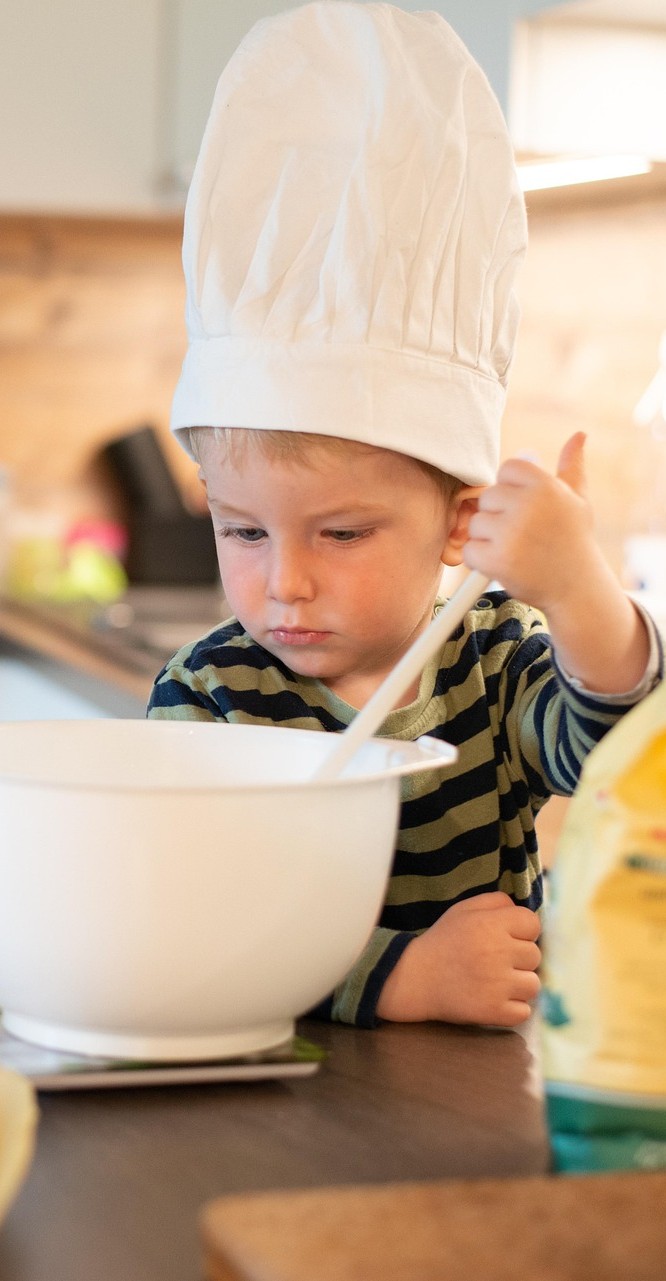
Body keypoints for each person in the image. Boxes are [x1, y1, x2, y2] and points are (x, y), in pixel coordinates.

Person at [147, 2, 662, 1030]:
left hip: (471, 1117)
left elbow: (614, 752)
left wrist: (577, 590)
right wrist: (399, 981)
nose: (282, 582)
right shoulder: (210, 695)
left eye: (341, 534)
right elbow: (186, 920)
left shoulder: (495, 662)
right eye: (242, 530)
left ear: (460, 520)